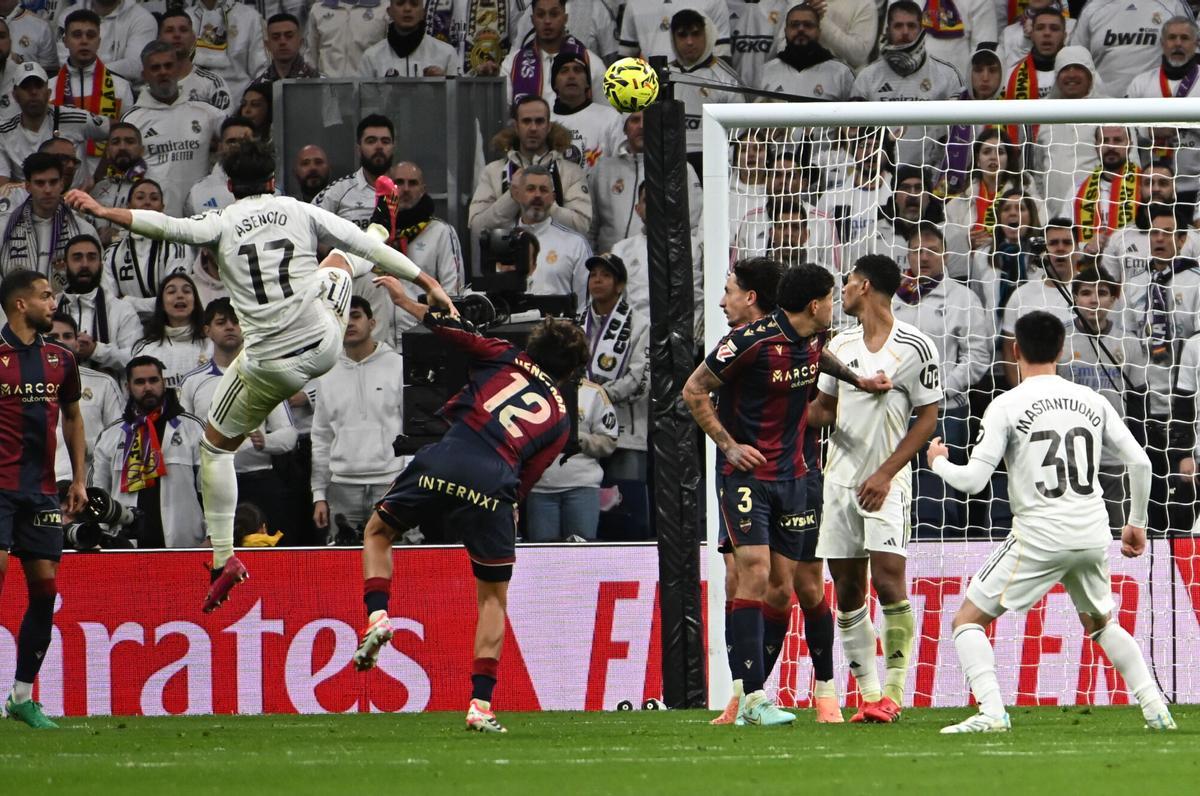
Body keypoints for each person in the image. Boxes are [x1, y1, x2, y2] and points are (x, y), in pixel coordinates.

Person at [64, 137, 458, 612]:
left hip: (267, 364)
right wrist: (429, 283)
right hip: (322, 344)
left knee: (214, 450)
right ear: (273, 181)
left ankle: (223, 558)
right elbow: (362, 247)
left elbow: (166, 225)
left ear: (230, 186)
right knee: (341, 261)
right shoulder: (299, 209)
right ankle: (381, 219)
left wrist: (103, 211)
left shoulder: (220, 220)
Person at [353, 278, 590, 734]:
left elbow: (449, 328)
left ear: (534, 345)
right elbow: (527, 480)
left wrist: (405, 300)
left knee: (378, 532)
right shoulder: (561, 418)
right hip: (494, 482)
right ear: (571, 371)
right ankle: (480, 705)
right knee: (492, 599)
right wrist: (505, 507)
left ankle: (378, 615)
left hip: (448, 456)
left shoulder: (507, 355)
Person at [927, 310, 1176, 733]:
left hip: (1039, 536)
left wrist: (937, 462)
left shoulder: (1006, 405)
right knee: (1102, 624)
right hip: (1092, 532)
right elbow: (1141, 462)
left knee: (966, 621)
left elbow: (973, 481)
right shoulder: (1092, 400)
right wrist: (1136, 522)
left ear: (1015, 350)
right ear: (1061, 350)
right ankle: (1156, 710)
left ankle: (992, 712)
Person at [684, 261, 893, 727]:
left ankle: (789, 694)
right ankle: (753, 697)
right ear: (815, 304)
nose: (835, 306)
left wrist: (858, 381)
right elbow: (693, 390)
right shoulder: (748, 342)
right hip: (746, 476)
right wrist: (728, 445)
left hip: (796, 477)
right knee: (752, 574)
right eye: (831, 299)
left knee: (785, 587)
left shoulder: (814, 337)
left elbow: (820, 358)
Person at [808, 255, 941, 724]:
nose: (842, 290)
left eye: (847, 283)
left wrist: (885, 474)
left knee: (887, 580)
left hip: (887, 481)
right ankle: (868, 696)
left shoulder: (916, 345)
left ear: (864, 286)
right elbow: (824, 409)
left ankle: (894, 693)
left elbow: (928, 418)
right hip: (839, 480)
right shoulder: (839, 345)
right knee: (847, 590)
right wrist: (777, 411)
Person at [0, 269, 87, 730]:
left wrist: (79, 479)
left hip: (41, 492)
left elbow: (73, 417)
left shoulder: (61, 359)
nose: (53, 303)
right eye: (46, 296)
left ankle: (22, 697)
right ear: (21, 304)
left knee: (45, 592)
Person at [177, 296, 298, 542]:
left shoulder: (267, 377)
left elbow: (289, 435)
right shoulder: (192, 382)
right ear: (207, 330)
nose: (230, 327)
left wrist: (265, 441)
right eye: (222, 322)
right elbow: (182, 438)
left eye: (236, 321)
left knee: (266, 554)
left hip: (259, 480)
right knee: (216, 552)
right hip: (211, 482)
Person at [310, 296, 406, 543]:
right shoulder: (326, 372)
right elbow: (321, 437)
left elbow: (413, 429)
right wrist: (319, 494)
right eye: (342, 318)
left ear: (372, 322)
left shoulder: (398, 365)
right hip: (342, 487)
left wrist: (407, 479)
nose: (350, 323)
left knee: (398, 559)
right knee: (343, 563)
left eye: (355, 316)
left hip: (391, 483)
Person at [91, 355, 206, 549]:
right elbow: (98, 493)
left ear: (164, 383)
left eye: (153, 380)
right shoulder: (111, 435)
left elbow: (210, 489)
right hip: (125, 546)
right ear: (127, 387)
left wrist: (212, 534)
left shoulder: (193, 428)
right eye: (140, 382)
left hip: (183, 543)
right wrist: (99, 536)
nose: (148, 387)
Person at [365, 160, 466, 342]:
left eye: (412, 183)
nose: (405, 189)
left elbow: (453, 294)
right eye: (399, 182)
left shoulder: (441, 232)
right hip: (378, 342)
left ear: (423, 189)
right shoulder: (373, 235)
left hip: (424, 339)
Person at [121, 41, 223, 216]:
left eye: (168, 66)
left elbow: (240, 135)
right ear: (144, 75)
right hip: (155, 218)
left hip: (200, 216)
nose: (163, 72)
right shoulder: (132, 120)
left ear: (177, 69)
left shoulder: (207, 113)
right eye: (155, 68)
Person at [468, 95, 591, 238]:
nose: (533, 128)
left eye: (539, 121)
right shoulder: (493, 171)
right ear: (516, 127)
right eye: (526, 121)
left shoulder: (571, 172)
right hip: (509, 252)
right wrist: (512, 197)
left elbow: (582, 226)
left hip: (556, 252)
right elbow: (477, 228)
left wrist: (544, 201)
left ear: (549, 127)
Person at [526, 373, 617, 542]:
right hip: (539, 489)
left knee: (581, 556)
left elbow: (609, 442)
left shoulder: (594, 392)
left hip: (582, 487)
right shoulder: (531, 389)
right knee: (542, 556)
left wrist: (578, 438)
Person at [49, 9, 134, 179]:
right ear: (65, 41)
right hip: (61, 179)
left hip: (107, 179)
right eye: (77, 35)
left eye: (90, 35)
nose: (84, 41)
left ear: (99, 41)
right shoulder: (49, 88)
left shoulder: (121, 87)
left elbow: (129, 139)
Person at [101, 178, 194, 321]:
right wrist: (154, 302)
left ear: (162, 208)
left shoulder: (178, 245)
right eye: (140, 198)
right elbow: (109, 303)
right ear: (128, 207)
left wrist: (127, 301)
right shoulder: (112, 252)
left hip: (168, 325)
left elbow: (175, 300)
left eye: (154, 198)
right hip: (127, 327)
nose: (147, 203)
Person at [0, 61, 107, 185]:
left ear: (49, 93)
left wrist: (97, 179)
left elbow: (117, 129)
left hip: (76, 195)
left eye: (38, 86)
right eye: (26, 87)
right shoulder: (4, 132)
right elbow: (2, 183)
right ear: (15, 96)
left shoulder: (75, 118)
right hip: (27, 197)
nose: (33, 92)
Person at [0, 152, 98, 287]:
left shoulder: (83, 229)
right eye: (40, 183)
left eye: (53, 182)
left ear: (62, 184)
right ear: (28, 187)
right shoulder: (4, 228)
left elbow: (97, 281)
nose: (47, 190)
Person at [47, 311, 122, 471]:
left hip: (91, 478)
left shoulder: (104, 384)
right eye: (53, 337)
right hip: (40, 480)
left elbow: (120, 437)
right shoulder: (22, 385)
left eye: (67, 336)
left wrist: (85, 446)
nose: (61, 341)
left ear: (77, 344)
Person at [55, 233, 140, 374]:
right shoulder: (51, 307)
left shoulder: (121, 310)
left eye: (92, 257)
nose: (85, 264)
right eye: (77, 258)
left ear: (101, 264)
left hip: (109, 387)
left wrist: (96, 350)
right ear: (65, 265)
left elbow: (136, 358)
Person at [1070, 0, 1191, 96]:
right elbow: (1072, 59)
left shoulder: (1174, 5)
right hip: (1104, 109)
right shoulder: (1092, 8)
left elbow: (1193, 57)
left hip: (1156, 108)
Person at [500, 0, 605, 106]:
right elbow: (504, 112)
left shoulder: (592, 63)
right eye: (541, 15)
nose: (547, 21)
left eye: (554, 14)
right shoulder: (512, 64)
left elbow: (606, 112)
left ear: (565, 18)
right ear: (532, 20)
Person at [516, 164, 592, 303]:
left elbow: (584, 306)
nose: (537, 195)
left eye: (543, 190)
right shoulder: (499, 242)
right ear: (518, 195)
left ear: (553, 198)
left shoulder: (575, 244)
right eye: (530, 189)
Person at [757, 4, 854, 101]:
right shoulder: (765, 72)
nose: (801, 29)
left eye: (808, 25)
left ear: (818, 32)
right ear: (786, 31)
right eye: (794, 25)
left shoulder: (841, 74)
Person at [130, 272, 212, 388]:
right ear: (162, 304)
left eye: (186, 291)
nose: (180, 295)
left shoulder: (214, 344)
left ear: (195, 301)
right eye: (171, 292)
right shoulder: (146, 350)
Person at [314, 114, 396, 228]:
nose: (379, 146)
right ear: (359, 149)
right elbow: (309, 227)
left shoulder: (406, 187)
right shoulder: (337, 192)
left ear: (393, 148)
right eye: (371, 141)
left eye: (385, 141)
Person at [547, 51, 623, 172]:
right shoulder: (545, 123)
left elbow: (621, 167)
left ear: (587, 83)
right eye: (564, 71)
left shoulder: (611, 118)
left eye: (577, 70)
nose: (571, 76)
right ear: (554, 83)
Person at [51, 0, 156, 83]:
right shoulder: (69, 15)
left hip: (125, 91)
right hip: (73, 87)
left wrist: (89, 71)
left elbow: (136, 66)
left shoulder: (142, 18)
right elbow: (65, 61)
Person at [186, 0, 267, 102]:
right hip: (193, 103)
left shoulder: (250, 18)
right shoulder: (185, 18)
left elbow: (260, 71)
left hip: (239, 103)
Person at [361, 0, 459, 78]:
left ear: (423, 13)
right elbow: (364, 97)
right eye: (400, 3)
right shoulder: (371, 57)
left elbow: (457, 95)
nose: (407, 9)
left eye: (414, 4)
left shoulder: (447, 53)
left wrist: (444, 84)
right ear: (389, 12)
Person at [158, 9, 232, 112]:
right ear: (159, 39)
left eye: (183, 30)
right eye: (169, 30)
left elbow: (224, 121)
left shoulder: (212, 84)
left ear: (193, 38)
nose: (177, 35)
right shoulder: (150, 86)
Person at [184, 115, 257, 216]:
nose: (238, 146)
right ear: (220, 147)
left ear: (257, 145)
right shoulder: (197, 194)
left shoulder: (272, 188)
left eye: (245, 141)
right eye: (232, 141)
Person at [619, 0, 731, 62]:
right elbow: (626, 56)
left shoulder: (714, 1)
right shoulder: (634, 3)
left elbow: (722, 55)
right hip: (651, 86)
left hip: (700, 86)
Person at [304, 0, 388, 79]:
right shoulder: (319, 9)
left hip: (369, 85)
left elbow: (389, 55)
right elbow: (310, 58)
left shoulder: (384, 9)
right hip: (327, 85)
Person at [252, 13, 321, 85]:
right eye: (276, 37)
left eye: (289, 36)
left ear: (300, 42)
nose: (282, 42)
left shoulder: (319, 83)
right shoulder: (258, 87)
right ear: (267, 45)